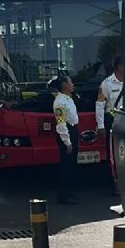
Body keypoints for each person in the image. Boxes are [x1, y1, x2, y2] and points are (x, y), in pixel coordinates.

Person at [96, 55, 124, 190]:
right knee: (113, 154)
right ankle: (113, 184)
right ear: (119, 66)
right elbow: (100, 105)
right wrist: (100, 126)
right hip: (112, 120)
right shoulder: (106, 84)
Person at [52, 72, 79, 204]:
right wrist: (67, 143)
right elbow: (61, 124)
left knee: (72, 165)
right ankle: (63, 195)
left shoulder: (68, 98)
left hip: (73, 130)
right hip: (66, 133)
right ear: (64, 85)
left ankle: (69, 192)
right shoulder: (59, 103)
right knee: (66, 166)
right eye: (70, 82)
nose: (72, 85)